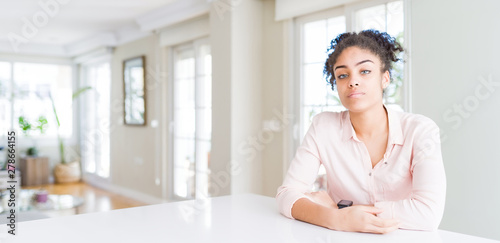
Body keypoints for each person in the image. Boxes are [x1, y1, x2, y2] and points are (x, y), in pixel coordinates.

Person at [276, 30, 446, 234]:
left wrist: (341, 210)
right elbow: (287, 194)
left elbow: (428, 214)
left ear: (385, 79)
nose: (352, 81)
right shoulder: (323, 127)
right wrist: (335, 219)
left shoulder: (420, 130)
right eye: (342, 75)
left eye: (364, 71)